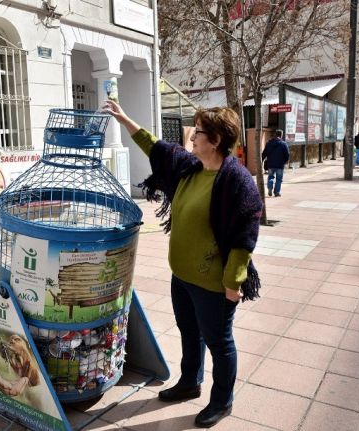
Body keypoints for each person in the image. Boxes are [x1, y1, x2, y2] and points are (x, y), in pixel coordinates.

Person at [102, 100, 262, 428]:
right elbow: (156, 146)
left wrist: (233, 283)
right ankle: (190, 382)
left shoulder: (237, 181)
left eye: (198, 133)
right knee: (190, 332)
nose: (191, 138)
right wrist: (125, 117)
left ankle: (222, 401)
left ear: (215, 140)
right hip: (183, 276)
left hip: (214, 284)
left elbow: (244, 238)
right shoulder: (191, 167)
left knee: (219, 342)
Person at [261, 130, 290, 197]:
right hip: (280, 165)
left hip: (270, 164)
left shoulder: (269, 143)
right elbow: (287, 154)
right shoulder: (283, 144)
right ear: (281, 135)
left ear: (275, 134)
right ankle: (276, 192)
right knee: (279, 179)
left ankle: (270, 187)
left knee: (270, 177)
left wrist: (262, 160)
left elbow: (264, 153)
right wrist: (285, 161)